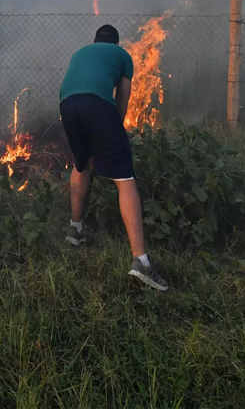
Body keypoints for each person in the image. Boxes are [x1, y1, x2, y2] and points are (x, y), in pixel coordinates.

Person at [59, 24, 169, 291]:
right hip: (98, 105)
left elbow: (75, 84)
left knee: (81, 162)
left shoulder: (80, 52)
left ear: (95, 40)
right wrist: (114, 131)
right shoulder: (122, 56)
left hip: (67, 103)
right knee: (125, 179)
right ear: (116, 44)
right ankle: (141, 261)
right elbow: (122, 100)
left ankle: (75, 230)